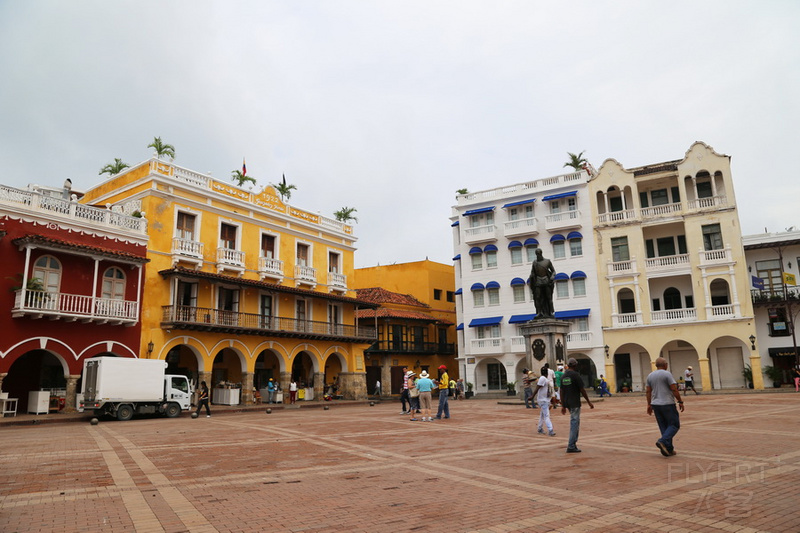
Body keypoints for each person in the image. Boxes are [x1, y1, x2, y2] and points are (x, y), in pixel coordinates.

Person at [646, 357, 685, 457]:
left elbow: (648, 391)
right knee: (674, 425)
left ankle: (669, 449)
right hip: (667, 404)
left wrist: (649, 404)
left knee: (664, 427)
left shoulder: (650, 375)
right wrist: (680, 401)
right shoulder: (667, 374)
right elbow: (674, 389)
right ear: (665, 365)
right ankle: (662, 441)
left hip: (656, 405)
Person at [560, 358, 594, 453]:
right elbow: (582, 390)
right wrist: (589, 402)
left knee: (574, 422)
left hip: (568, 403)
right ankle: (571, 445)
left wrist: (563, 405)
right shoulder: (575, 375)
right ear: (575, 365)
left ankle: (573, 444)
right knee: (574, 423)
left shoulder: (564, 376)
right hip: (574, 402)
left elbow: (561, 391)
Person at [529, 248, 556, 319]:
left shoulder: (547, 261)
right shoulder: (534, 262)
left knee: (548, 297)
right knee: (537, 297)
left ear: (541, 253)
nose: (537, 255)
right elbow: (533, 272)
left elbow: (553, 271)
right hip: (538, 281)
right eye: (536, 254)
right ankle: (539, 312)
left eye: (538, 253)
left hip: (546, 280)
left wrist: (552, 277)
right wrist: (532, 276)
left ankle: (550, 312)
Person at [533, 365, 556, 436]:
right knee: (546, 415)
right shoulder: (543, 378)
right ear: (547, 372)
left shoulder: (544, 379)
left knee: (542, 415)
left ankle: (540, 428)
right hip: (543, 400)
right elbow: (537, 387)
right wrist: (532, 396)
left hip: (544, 400)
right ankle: (550, 430)